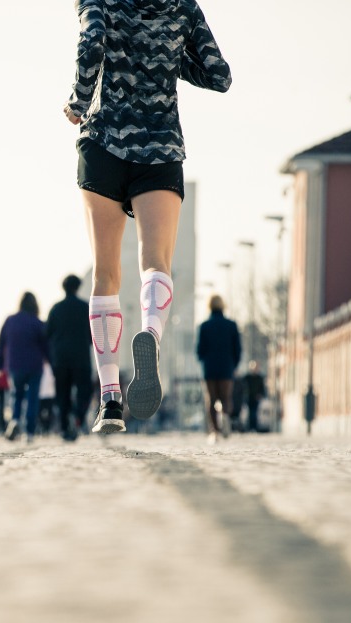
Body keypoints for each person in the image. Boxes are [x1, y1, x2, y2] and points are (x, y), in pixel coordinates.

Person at [64, 0, 231, 434]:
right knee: (155, 262)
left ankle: (110, 401)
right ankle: (151, 337)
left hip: (103, 141)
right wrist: (169, 62)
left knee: (105, 274)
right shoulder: (181, 5)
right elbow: (219, 75)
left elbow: (91, 44)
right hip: (159, 146)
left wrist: (79, 101)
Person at [0, 293, 49, 443]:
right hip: (34, 366)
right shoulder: (38, 323)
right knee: (32, 398)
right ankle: (30, 432)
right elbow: (46, 346)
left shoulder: (10, 320)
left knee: (16, 396)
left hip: (15, 365)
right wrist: (51, 361)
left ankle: (15, 420)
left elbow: (1, 344)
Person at [46, 274, 94, 440]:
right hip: (81, 357)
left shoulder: (55, 308)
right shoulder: (85, 307)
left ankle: (66, 428)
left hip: (60, 358)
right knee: (85, 390)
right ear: (78, 287)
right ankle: (78, 415)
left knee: (62, 394)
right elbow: (93, 334)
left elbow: (48, 334)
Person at [196, 295, 241, 444]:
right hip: (227, 367)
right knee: (226, 398)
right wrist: (234, 365)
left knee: (211, 399)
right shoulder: (231, 325)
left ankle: (214, 431)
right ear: (223, 306)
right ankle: (226, 418)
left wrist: (203, 361)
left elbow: (200, 350)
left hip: (209, 368)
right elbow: (237, 349)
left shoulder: (204, 326)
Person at [243, 360, 267, 433]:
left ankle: (254, 427)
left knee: (255, 413)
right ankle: (250, 427)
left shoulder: (259, 378)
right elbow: (243, 387)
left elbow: (262, 388)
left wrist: (261, 395)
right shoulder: (247, 377)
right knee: (250, 413)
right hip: (249, 398)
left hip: (256, 398)